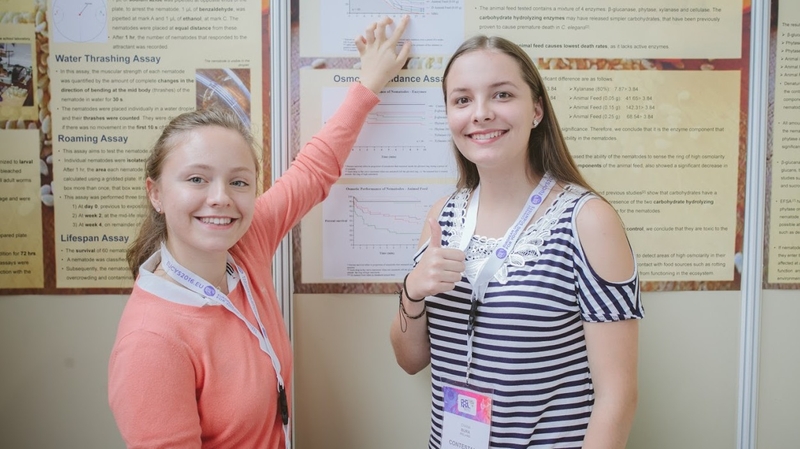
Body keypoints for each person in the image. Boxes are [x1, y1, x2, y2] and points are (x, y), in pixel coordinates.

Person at [108, 16, 411, 449]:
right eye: (196, 179)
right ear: (155, 193)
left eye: (238, 181)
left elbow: (313, 170)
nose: (220, 198)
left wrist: (370, 82)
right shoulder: (150, 343)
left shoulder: (245, 244)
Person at [390, 35, 644, 449]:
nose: (481, 114)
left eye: (502, 94)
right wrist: (412, 292)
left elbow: (618, 396)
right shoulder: (442, 217)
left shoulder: (588, 221)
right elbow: (410, 360)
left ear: (536, 110)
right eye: (462, 100)